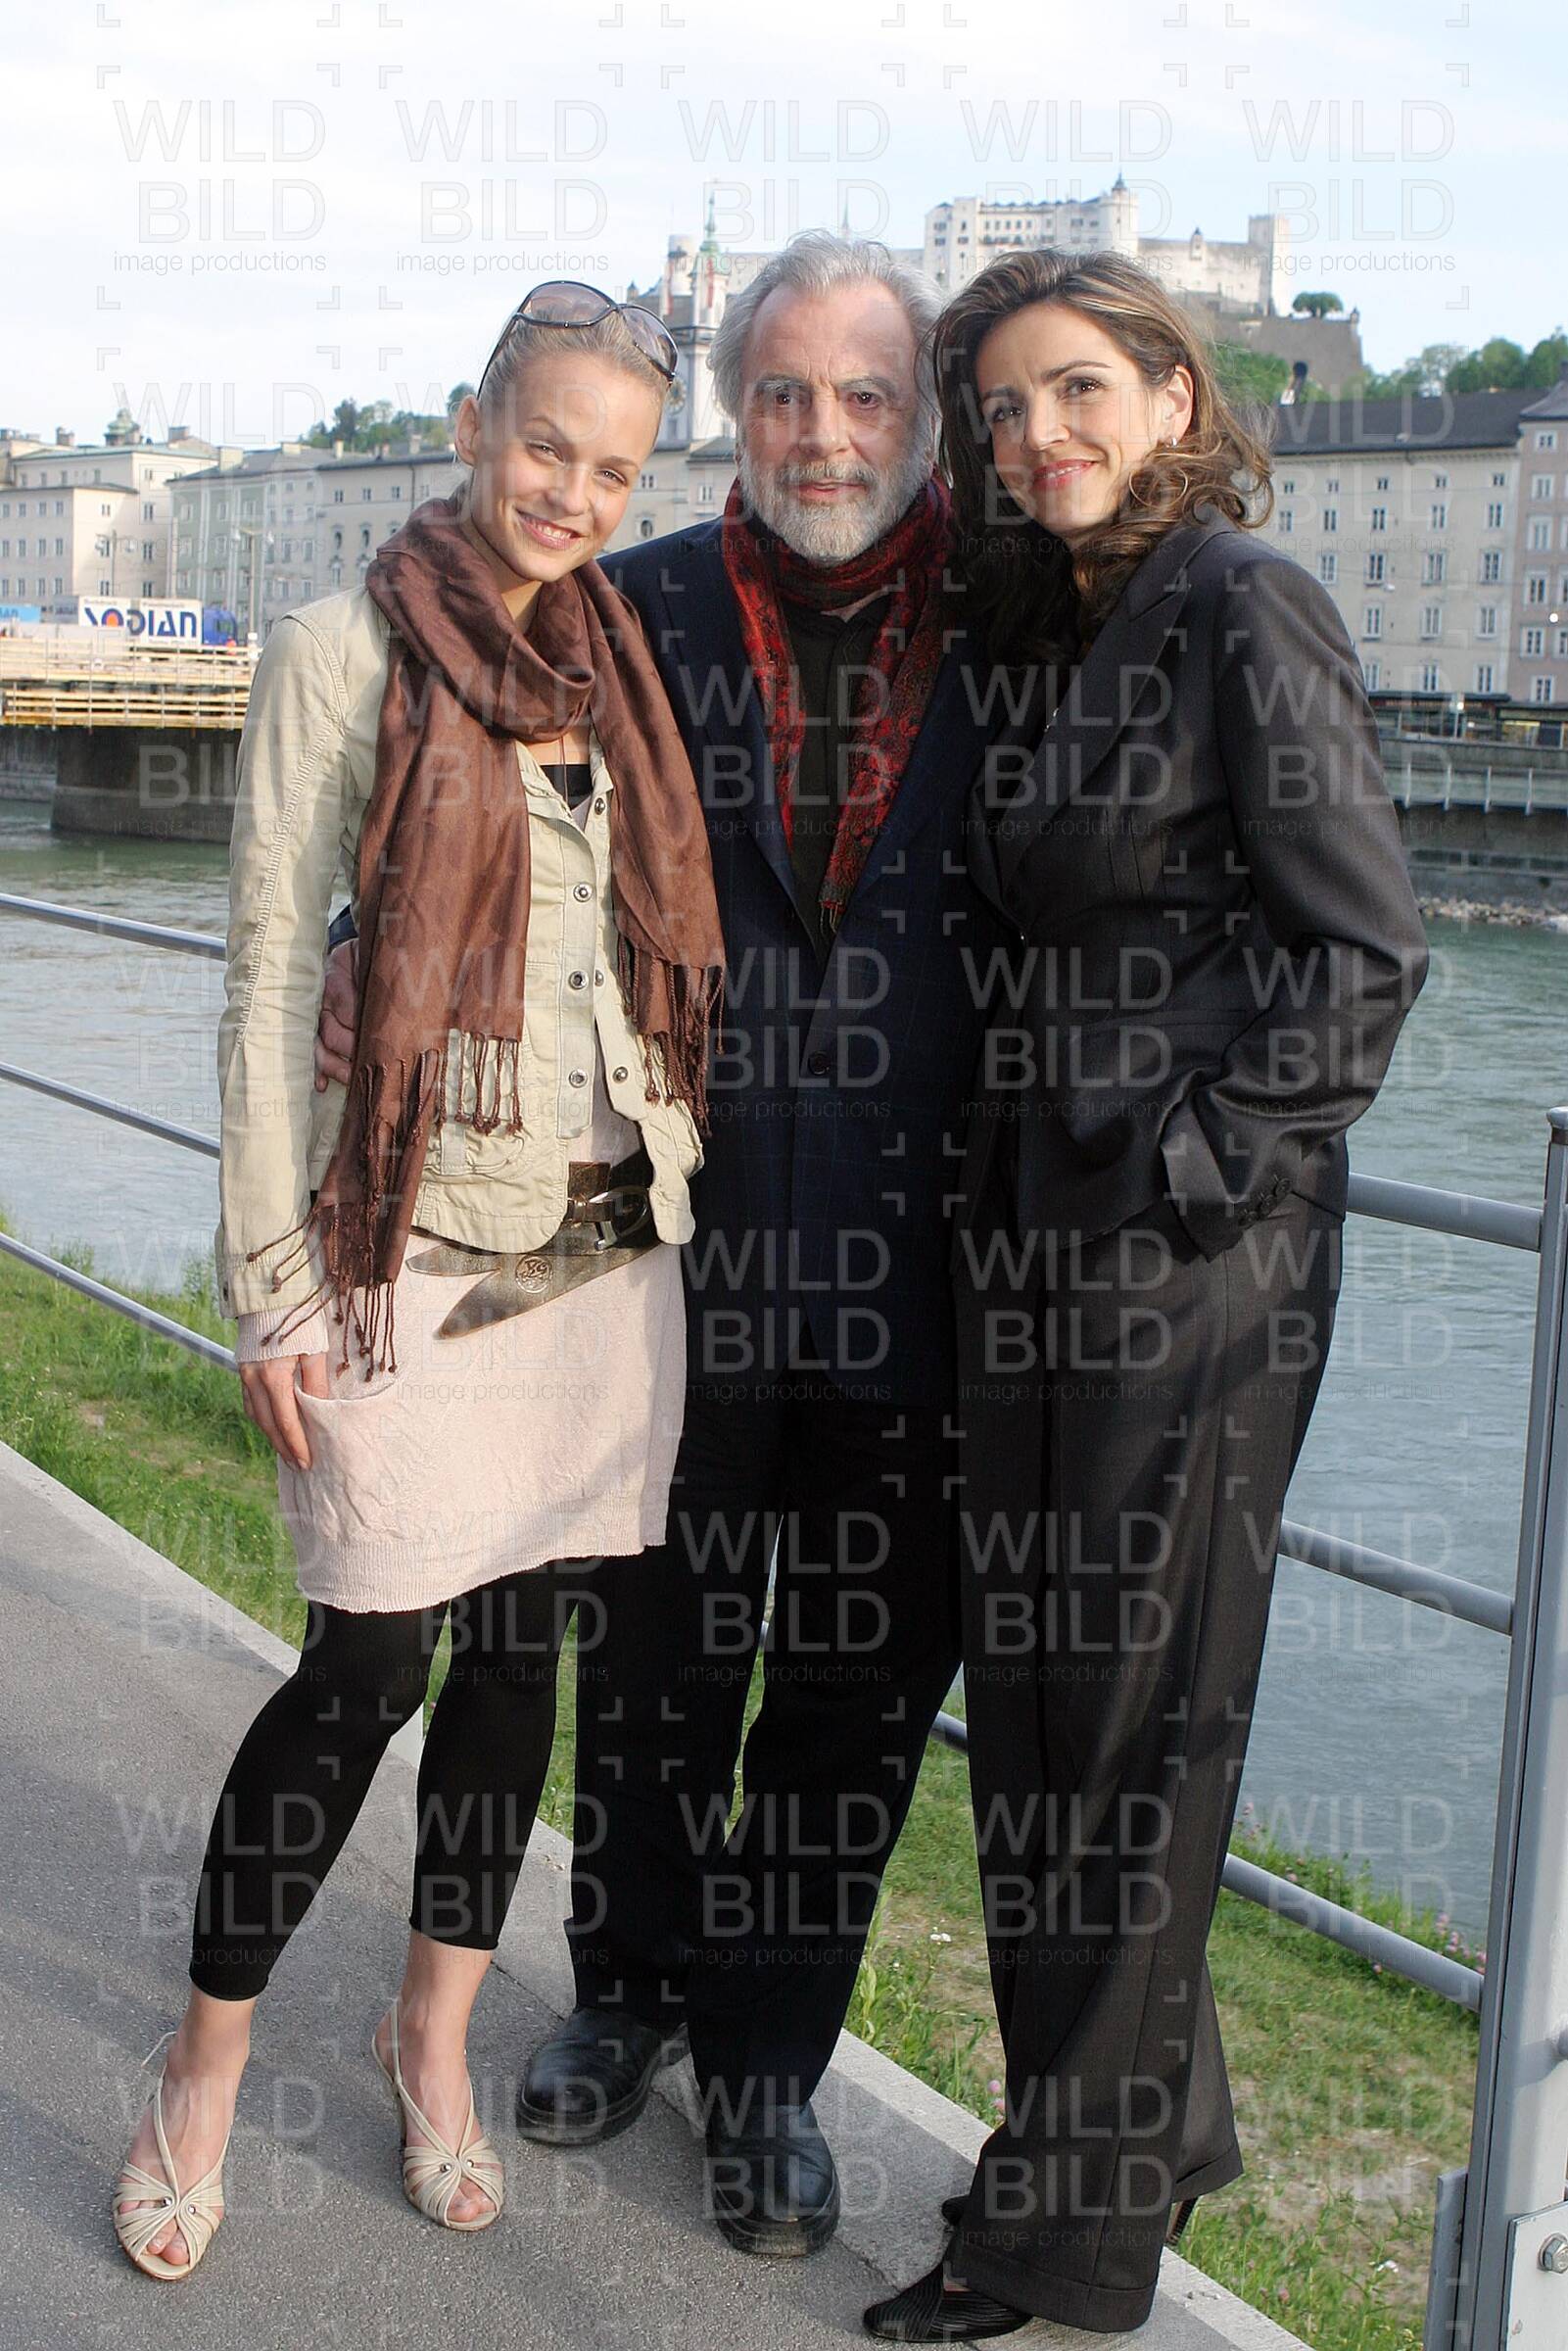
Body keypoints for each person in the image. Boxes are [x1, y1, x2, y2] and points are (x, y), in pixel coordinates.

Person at [313, 231, 1075, 2257]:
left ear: (925, 422)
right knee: (655, 1667)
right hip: (668, 1257)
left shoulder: (1020, 623)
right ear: (737, 411)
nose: (826, 433)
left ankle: (765, 2072)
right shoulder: (631, 610)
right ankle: (628, 1990)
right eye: (787, 394)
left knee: (846, 1709)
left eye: (868, 396)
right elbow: (456, 824)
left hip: (922, 1280)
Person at [111, 282, 724, 2279]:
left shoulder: (616, 661)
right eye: (545, 445)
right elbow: (268, 972)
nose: (572, 493)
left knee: (522, 1659)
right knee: (364, 1667)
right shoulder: (342, 647)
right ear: (474, 426)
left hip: (605, 1240)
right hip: (408, 1246)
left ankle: (429, 2036)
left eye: (612, 469)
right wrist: (270, 1284)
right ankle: (205, 2063)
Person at [863, 250, 1430, 2341]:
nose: (1039, 437)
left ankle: (1068, 2234)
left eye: (1078, 390)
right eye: (1004, 410)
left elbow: (1362, 955)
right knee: (1045, 1720)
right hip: (1037, 1242)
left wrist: (1198, 1173)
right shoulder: (1080, 612)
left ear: (1176, 394)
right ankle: (1146, 2126)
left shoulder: (1244, 603)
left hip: (1181, 1275)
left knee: (1124, 1741)